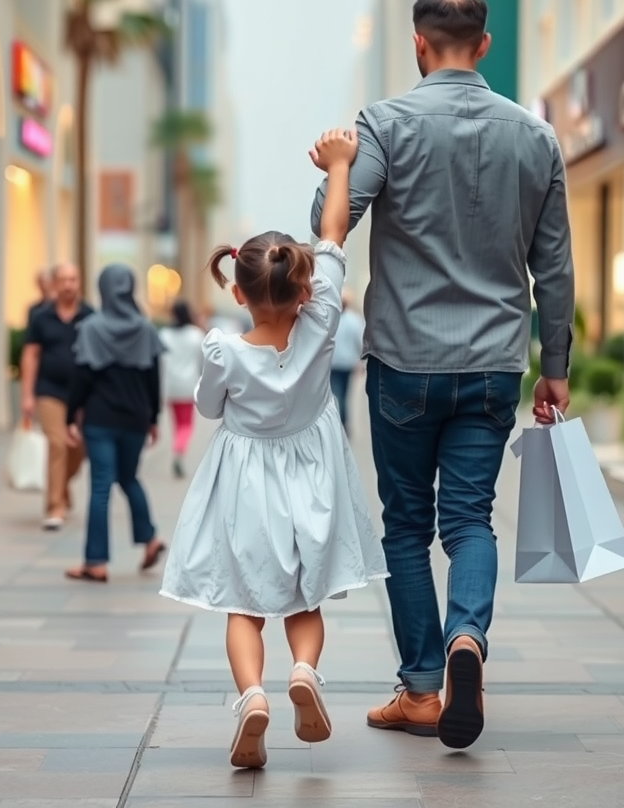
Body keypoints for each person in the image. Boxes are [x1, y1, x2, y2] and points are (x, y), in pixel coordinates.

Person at [311, 0, 574, 750]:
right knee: (468, 520)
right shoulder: (535, 136)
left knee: (405, 527)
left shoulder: (383, 125)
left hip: (402, 359)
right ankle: (469, 640)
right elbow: (553, 265)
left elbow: (327, 225)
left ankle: (422, 687)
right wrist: (554, 364)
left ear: (419, 44)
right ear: (484, 46)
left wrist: (335, 165)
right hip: (493, 361)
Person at [160, 129, 387, 771]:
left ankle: (253, 695)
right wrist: (340, 164)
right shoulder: (320, 326)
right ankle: (306, 673)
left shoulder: (223, 348)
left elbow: (208, 407)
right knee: (304, 598)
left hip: (245, 478)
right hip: (312, 471)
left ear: (239, 292)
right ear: (303, 289)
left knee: (244, 601)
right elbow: (335, 234)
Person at [64, 264, 166, 582]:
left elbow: (81, 378)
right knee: (129, 477)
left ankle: (95, 561)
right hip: (135, 420)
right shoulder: (146, 330)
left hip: (100, 419)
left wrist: (70, 416)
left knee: (101, 486)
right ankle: (149, 538)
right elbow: (153, 379)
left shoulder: (92, 328)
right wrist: (153, 418)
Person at [21, 263, 93, 530]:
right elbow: (30, 355)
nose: (68, 285)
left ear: (79, 282)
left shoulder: (89, 316)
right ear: (54, 283)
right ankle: (55, 507)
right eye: (63, 280)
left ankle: (60, 486)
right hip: (49, 391)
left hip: (82, 394)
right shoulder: (41, 317)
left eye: (73, 279)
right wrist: (27, 394)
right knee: (57, 444)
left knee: (77, 448)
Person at [158, 301, 205, 478]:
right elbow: (203, 362)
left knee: (176, 423)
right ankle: (179, 450)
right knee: (186, 425)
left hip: (170, 386)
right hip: (188, 385)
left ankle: (177, 447)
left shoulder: (164, 335)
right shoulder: (196, 335)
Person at [329, 289, 364, 433]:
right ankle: (343, 423)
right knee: (344, 393)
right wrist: (360, 360)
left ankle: (339, 423)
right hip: (347, 363)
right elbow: (360, 342)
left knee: (337, 394)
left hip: (333, 363)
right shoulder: (355, 320)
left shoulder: (331, 318)